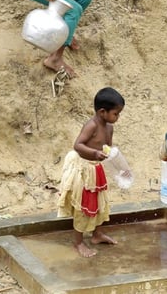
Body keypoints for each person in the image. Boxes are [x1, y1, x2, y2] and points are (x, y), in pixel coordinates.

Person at [57, 87, 126, 257]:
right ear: (103, 112)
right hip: (84, 170)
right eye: (115, 113)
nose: (117, 117)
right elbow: (78, 145)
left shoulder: (109, 127)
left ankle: (97, 234)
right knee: (85, 205)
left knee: (100, 203)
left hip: (97, 169)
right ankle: (78, 242)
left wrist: (113, 156)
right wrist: (94, 153)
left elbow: (107, 146)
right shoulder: (92, 125)